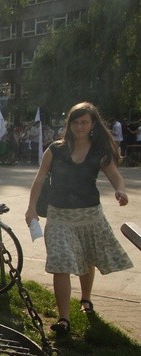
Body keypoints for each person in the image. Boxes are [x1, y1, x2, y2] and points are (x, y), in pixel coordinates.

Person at [25, 102, 133, 335]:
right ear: (69, 124)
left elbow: (115, 176)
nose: (79, 126)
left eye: (84, 122)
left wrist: (121, 191)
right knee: (60, 263)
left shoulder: (99, 151)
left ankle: (86, 300)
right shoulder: (55, 149)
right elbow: (40, 179)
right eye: (75, 122)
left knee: (87, 258)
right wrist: (31, 208)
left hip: (89, 215)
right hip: (58, 215)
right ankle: (64, 318)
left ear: (93, 124)